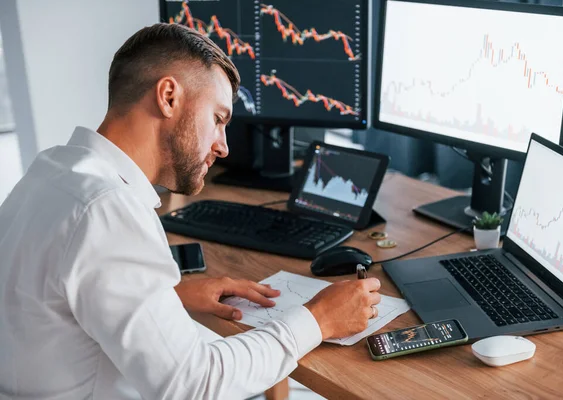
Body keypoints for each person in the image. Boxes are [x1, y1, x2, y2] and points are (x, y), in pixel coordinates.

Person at [0, 23, 381, 399]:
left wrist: (169, 296)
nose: (223, 146)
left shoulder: (53, 171)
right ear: (168, 96)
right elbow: (194, 385)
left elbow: (56, 301)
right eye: (217, 119)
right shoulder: (106, 210)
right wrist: (318, 319)